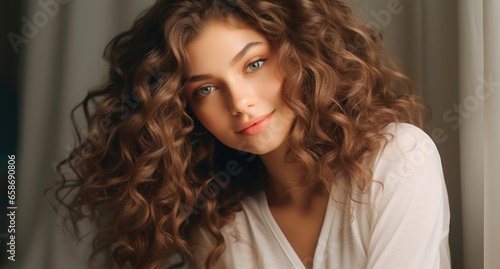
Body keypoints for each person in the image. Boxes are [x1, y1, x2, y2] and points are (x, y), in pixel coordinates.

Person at [51, 0, 451, 268]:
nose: (239, 102)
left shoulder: (399, 161)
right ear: (185, 112)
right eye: (205, 89)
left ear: (302, 53)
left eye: (254, 64)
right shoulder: (221, 232)